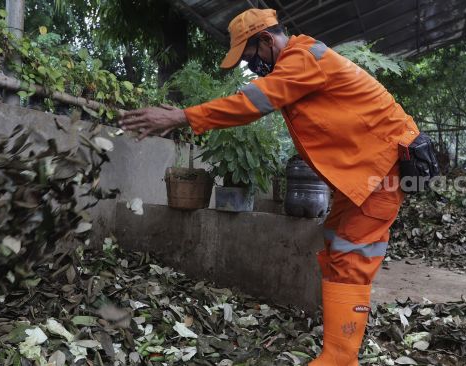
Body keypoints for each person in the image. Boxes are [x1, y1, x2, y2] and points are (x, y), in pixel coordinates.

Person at [120, 8, 420, 366]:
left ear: (266, 40)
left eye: (251, 57)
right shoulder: (302, 59)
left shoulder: (303, 58)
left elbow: (252, 102)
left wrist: (181, 116)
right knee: (337, 245)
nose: (252, 66)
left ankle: (340, 357)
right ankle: (339, 339)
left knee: (351, 259)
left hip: (377, 175)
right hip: (361, 176)